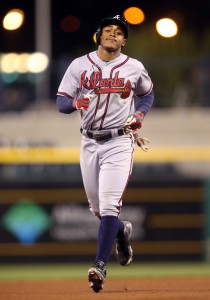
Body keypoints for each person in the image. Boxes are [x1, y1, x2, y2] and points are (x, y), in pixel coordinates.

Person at [56, 14, 154, 293]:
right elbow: (61, 102)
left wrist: (139, 114)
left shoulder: (133, 67)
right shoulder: (79, 65)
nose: (113, 34)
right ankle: (121, 231)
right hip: (89, 142)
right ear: (99, 36)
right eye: (107, 30)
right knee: (98, 210)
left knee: (110, 205)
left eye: (118, 32)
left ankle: (99, 265)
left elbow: (147, 94)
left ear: (124, 40)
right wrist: (76, 102)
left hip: (119, 141)